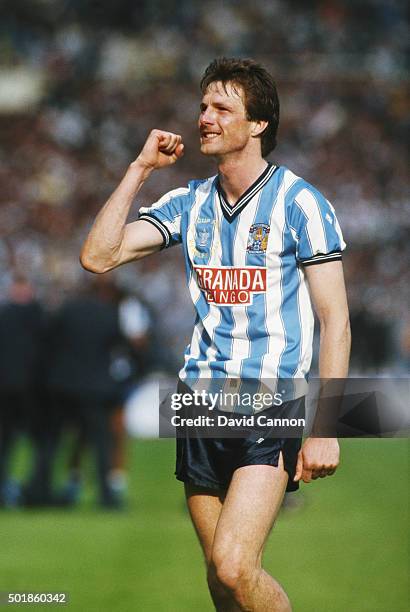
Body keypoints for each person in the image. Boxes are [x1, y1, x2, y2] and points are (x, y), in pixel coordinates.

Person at [80, 58, 351, 611]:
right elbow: (98, 256)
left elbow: (335, 320)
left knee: (234, 564)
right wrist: (139, 168)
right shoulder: (189, 202)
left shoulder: (301, 204)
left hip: (271, 400)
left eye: (222, 107)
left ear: (258, 124)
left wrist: (326, 426)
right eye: (203, 105)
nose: (205, 116)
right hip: (200, 402)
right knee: (220, 583)